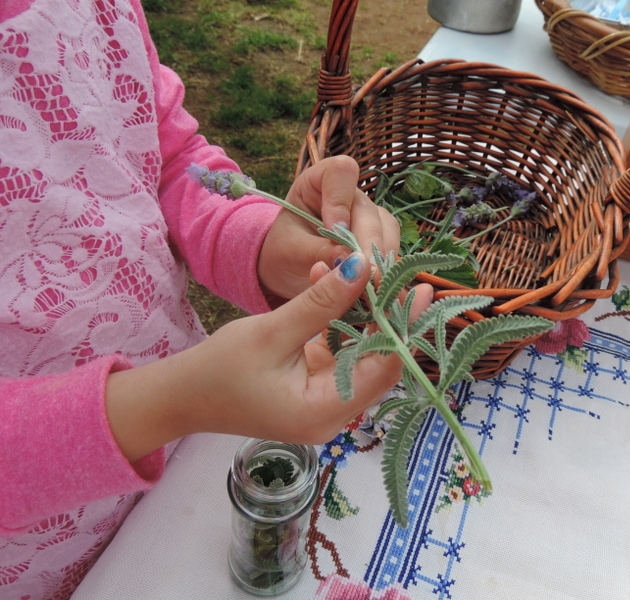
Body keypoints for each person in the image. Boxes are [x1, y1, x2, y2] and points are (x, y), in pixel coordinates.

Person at [0, 1, 432, 598]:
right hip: (37, 559)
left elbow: (165, 159)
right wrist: (167, 402)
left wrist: (263, 241)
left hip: (195, 436)